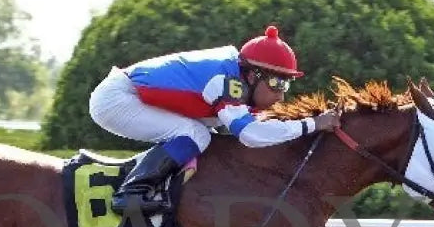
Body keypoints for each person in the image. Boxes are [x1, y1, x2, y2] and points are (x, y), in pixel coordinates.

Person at [88, 25, 341, 214]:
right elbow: (250, 135)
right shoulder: (228, 81)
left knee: (202, 133)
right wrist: (313, 124)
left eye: (286, 83)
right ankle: (131, 193)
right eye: (276, 82)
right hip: (117, 99)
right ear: (253, 75)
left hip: (126, 94)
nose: (281, 93)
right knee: (196, 134)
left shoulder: (235, 74)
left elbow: (262, 128)